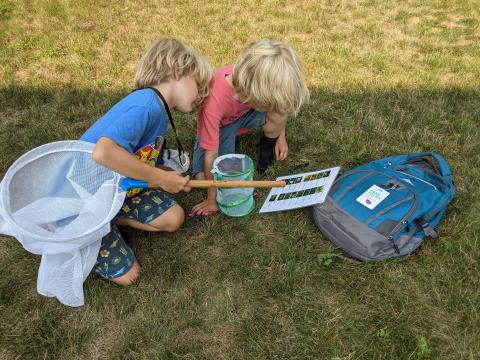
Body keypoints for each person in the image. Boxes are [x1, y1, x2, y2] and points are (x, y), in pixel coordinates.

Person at [80, 38, 212, 285]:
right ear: (177, 71)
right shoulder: (147, 105)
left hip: (117, 190)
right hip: (86, 201)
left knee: (174, 218)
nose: (202, 95)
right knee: (130, 277)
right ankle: (95, 232)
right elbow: (103, 153)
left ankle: (115, 218)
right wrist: (160, 178)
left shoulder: (158, 109)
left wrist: (164, 173)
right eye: (199, 84)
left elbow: (138, 157)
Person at [189, 39, 309, 217]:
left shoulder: (251, 81)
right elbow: (211, 156)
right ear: (254, 91)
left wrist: (280, 135)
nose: (270, 104)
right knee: (204, 179)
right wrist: (211, 198)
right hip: (221, 128)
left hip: (242, 116)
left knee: (279, 111)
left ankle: (267, 147)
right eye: (267, 101)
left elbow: (279, 106)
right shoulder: (214, 103)